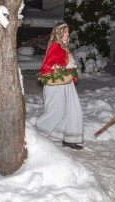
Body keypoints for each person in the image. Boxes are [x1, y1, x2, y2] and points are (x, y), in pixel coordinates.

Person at [36, 22, 84, 150]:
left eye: (68, 31)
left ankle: (69, 138)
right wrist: (64, 68)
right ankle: (38, 134)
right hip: (56, 85)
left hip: (66, 84)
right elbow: (46, 67)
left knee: (73, 110)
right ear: (58, 32)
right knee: (57, 111)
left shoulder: (63, 47)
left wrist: (71, 68)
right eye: (65, 31)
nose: (68, 34)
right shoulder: (55, 46)